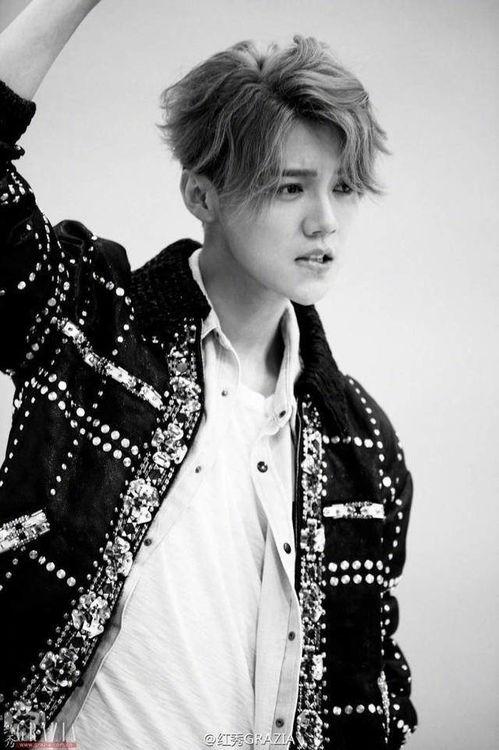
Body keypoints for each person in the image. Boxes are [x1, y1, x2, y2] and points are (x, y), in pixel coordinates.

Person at [0, 1, 417, 748]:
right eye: (290, 187)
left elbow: (371, 688)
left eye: (344, 187)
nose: (324, 220)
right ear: (202, 195)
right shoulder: (94, 326)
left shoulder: (361, 441)